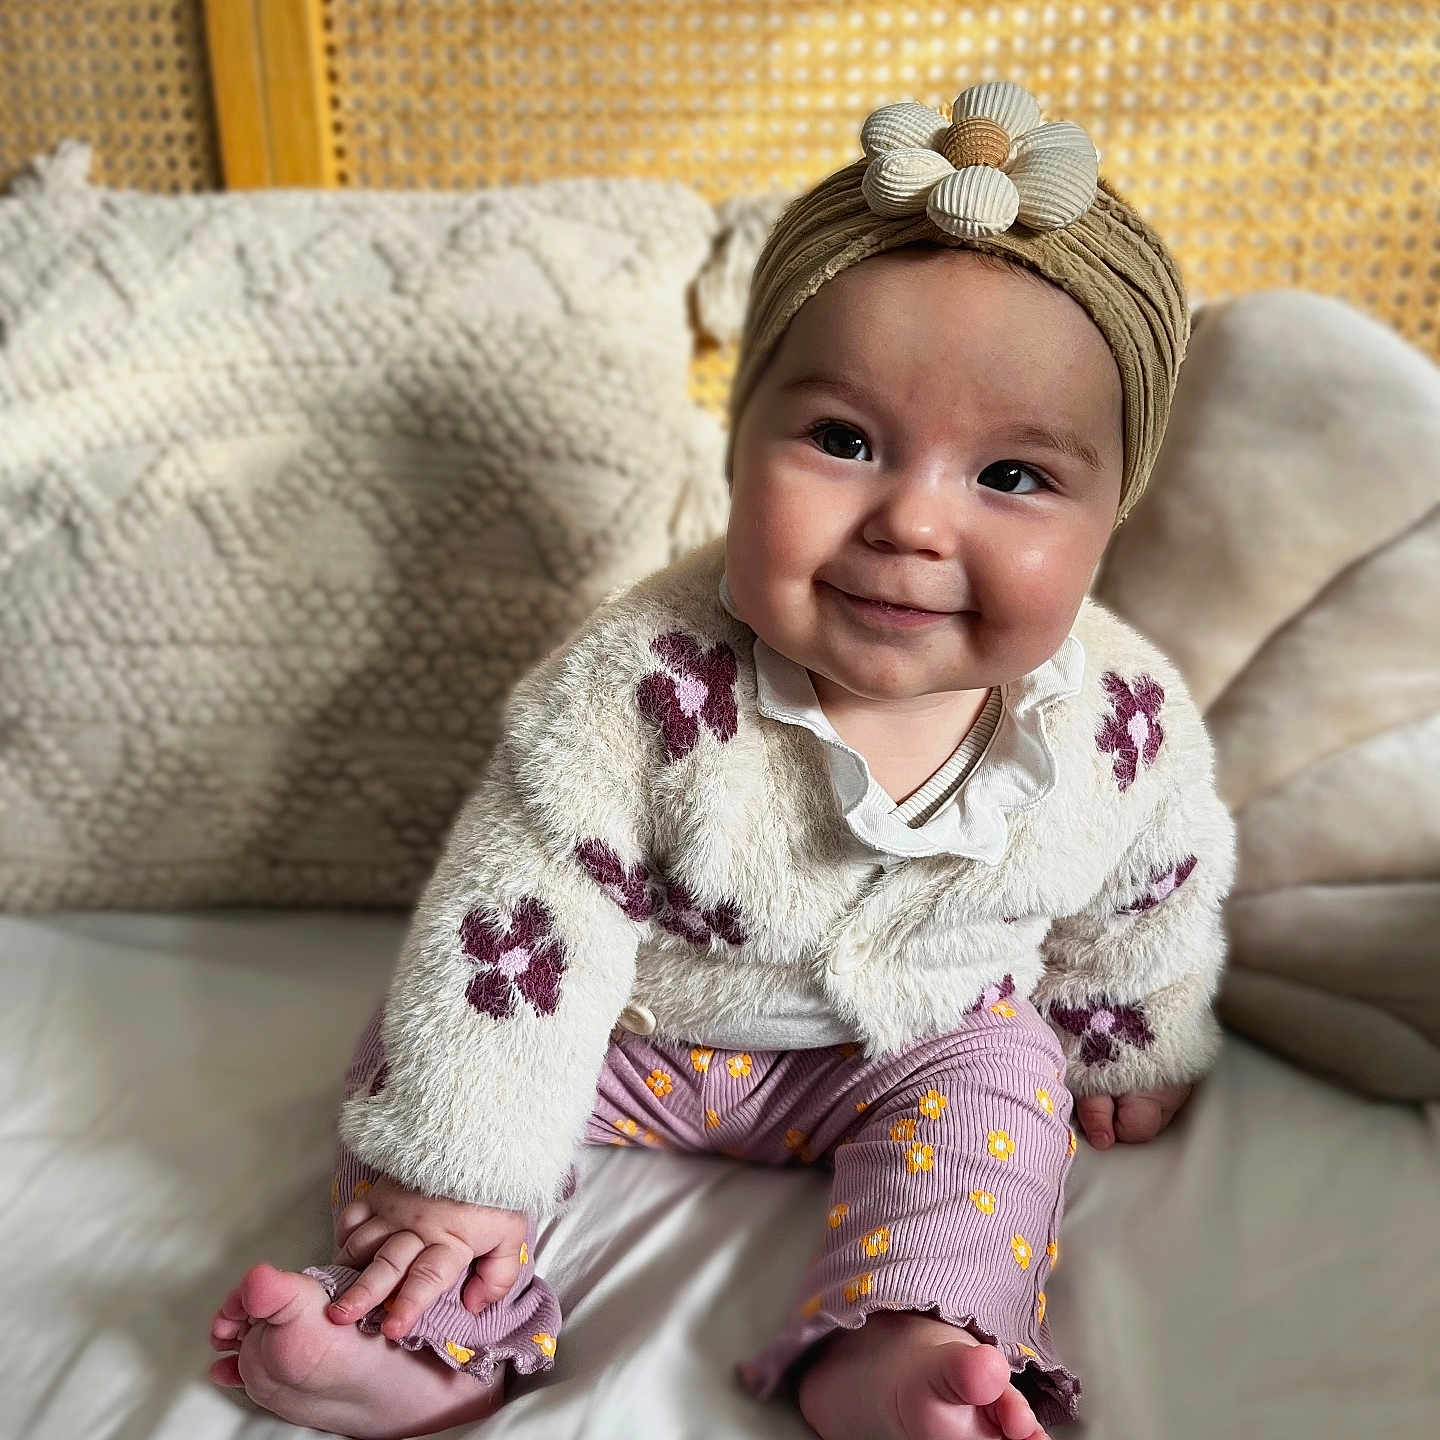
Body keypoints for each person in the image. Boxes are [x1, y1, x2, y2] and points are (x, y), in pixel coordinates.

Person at [207, 79, 1236, 1440]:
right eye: (845, 442)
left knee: (1010, 1089)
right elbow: (518, 915)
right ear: (740, 443)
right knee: (427, 1069)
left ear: (1112, 515)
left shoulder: (1122, 718)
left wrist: (1131, 1036)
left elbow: (1157, 881)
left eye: (1013, 477)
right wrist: (464, 1169)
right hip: (627, 1027)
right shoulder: (639, 684)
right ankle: (424, 1329)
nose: (912, 523)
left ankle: (902, 1343)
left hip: (906, 1045)